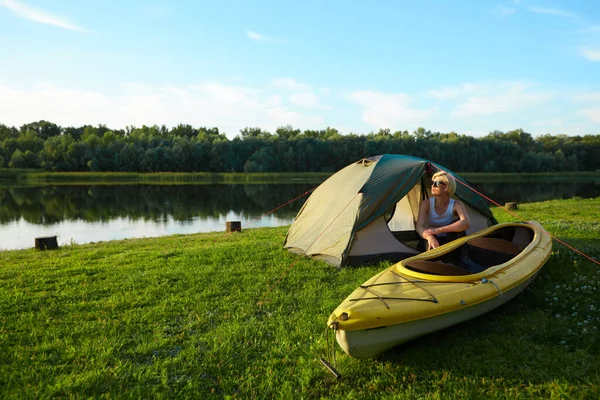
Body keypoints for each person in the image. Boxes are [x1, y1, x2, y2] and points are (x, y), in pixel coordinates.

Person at [416, 171, 471, 251]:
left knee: (458, 226)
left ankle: (462, 258)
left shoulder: (456, 204)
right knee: (430, 245)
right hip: (432, 238)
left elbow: (466, 222)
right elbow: (419, 226)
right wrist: (429, 237)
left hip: (449, 239)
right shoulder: (426, 204)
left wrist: (439, 230)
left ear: (446, 187)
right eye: (432, 183)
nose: (432, 186)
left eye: (437, 183)